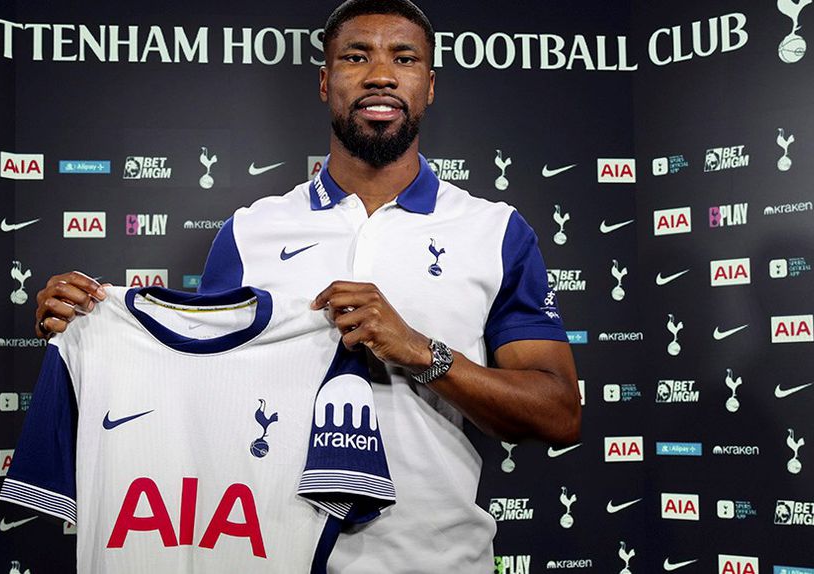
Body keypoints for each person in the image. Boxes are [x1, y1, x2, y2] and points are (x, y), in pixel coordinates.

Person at [34, 0, 581, 571]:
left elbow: (559, 413)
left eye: (404, 58)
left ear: (429, 85)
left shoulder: (495, 231)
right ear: (325, 81)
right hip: (264, 557)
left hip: (437, 562)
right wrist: (88, 330)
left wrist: (421, 352)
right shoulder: (250, 231)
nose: (380, 75)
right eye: (355, 57)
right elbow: (195, 397)